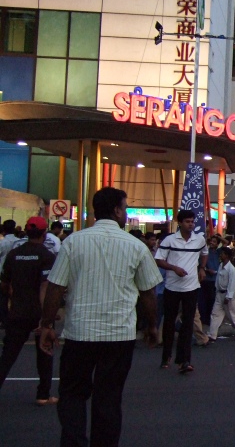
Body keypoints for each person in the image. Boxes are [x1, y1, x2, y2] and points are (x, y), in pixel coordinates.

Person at [39, 187, 161, 446]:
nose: (126, 213)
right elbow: (148, 293)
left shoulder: (73, 242)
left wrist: (47, 324)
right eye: (125, 208)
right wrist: (152, 326)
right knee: (109, 399)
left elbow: (55, 287)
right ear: (116, 210)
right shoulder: (136, 246)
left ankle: (74, 442)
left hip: (79, 333)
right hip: (119, 335)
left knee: (72, 394)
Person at [0, 217, 57, 405]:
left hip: (18, 311)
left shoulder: (14, 254)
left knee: (7, 355)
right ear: (44, 233)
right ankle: (43, 395)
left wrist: (12, 298)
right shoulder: (47, 256)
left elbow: (4, 283)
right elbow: (45, 287)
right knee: (45, 352)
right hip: (38, 312)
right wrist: (46, 318)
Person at [155, 209, 209, 373]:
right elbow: (159, 259)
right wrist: (174, 268)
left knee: (188, 323)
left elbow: (204, 253)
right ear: (180, 223)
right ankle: (166, 356)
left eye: (192, 221)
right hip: (172, 287)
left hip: (191, 287)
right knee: (169, 322)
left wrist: (202, 268)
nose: (191, 224)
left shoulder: (199, 240)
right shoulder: (170, 240)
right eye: (187, 221)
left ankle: (184, 360)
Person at [207, 247, 235, 342]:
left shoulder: (231, 269)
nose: (221, 255)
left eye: (222, 254)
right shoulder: (220, 265)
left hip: (228, 294)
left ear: (227, 255)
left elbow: (232, 283)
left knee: (233, 315)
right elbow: (218, 279)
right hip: (219, 293)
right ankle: (212, 334)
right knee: (215, 314)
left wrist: (228, 296)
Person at [0, 219, 19, 328]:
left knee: (3, 298)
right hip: (16, 273)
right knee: (16, 297)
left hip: (3, 273)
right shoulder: (18, 242)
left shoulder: (3, 242)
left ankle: (5, 320)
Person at [199, 235, 221, 325]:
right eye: (211, 241)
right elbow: (200, 265)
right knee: (204, 300)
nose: (212, 243)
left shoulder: (218, 252)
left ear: (217, 244)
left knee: (212, 300)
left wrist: (215, 235)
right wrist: (208, 270)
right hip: (206, 279)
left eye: (214, 242)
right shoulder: (205, 252)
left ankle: (209, 319)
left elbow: (226, 243)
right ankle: (203, 319)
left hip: (214, 280)